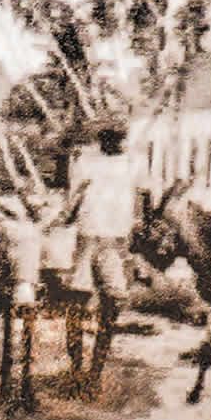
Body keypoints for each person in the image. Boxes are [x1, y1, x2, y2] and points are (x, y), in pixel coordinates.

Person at [68, 125, 139, 399]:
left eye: (118, 138)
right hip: (88, 238)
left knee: (113, 304)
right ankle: (76, 371)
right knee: (76, 303)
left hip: (114, 241)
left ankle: (94, 373)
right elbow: (73, 199)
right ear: (101, 140)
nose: (114, 143)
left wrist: (129, 240)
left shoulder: (131, 163)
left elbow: (139, 198)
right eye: (109, 138)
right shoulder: (85, 162)